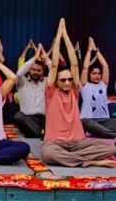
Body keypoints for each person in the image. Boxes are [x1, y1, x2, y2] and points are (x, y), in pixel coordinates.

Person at [42, 19, 115, 168]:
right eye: (63, 80)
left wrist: (66, 37)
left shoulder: (74, 91)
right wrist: (59, 34)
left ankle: (71, 159)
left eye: (70, 79)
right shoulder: (51, 91)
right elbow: (54, 64)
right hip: (55, 142)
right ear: (56, 81)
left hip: (78, 142)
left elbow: (74, 64)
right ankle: (90, 162)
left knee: (111, 148)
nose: (68, 82)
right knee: (48, 154)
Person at [80, 37, 116, 138]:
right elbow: (85, 67)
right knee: (87, 123)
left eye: (99, 73)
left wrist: (96, 51)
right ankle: (109, 134)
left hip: (105, 120)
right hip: (89, 120)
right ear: (89, 75)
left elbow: (105, 67)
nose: (97, 75)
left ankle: (99, 132)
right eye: (94, 73)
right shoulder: (85, 85)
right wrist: (89, 51)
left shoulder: (103, 85)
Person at [14, 44, 50, 138]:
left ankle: (36, 132)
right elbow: (19, 72)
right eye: (33, 69)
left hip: (43, 120)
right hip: (27, 120)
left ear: (42, 71)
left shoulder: (47, 82)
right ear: (29, 69)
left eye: (39, 70)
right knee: (18, 116)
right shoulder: (22, 81)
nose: (36, 72)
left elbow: (56, 73)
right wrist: (35, 57)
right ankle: (42, 133)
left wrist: (46, 60)